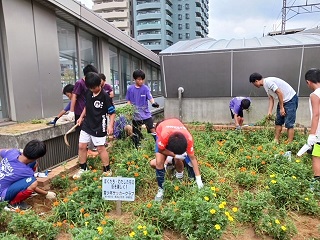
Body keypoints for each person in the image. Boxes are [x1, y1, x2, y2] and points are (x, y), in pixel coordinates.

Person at [73, 72, 116, 179]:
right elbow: (86, 107)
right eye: (91, 88)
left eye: (95, 87)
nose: (93, 90)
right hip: (87, 124)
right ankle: (83, 168)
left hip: (99, 125)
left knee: (100, 148)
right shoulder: (88, 92)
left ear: (100, 84)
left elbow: (112, 113)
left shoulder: (105, 96)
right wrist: (81, 117)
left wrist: (110, 126)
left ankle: (107, 170)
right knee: (82, 146)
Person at [153, 118, 203, 201]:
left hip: (176, 127)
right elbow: (161, 150)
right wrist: (174, 155)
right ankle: (161, 189)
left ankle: (181, 177)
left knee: (187, 161)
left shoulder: (189, 139)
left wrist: (199, 179)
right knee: (159, 162)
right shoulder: (163, 136)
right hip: (163, 130)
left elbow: (193, 159)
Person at [0, 140, 56, 210]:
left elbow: (1, 150)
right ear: (38, 157)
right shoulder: (27, 172)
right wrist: (46, 193)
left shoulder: (12, 152)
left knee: (33, 164)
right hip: (2, 196)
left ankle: (19, 191)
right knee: (33, 182)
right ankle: (14, 204)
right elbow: (33, 186)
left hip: (3, 183)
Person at [249, 72, 298, 143]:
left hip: (290, 99)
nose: (254, 85)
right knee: (278, 121)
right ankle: (276, 140)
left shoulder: (268, 82)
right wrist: (269, 113)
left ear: (256, 81)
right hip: (282, 100)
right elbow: (271, 99)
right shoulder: (265, 85)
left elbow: (279, 93)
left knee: (289, 123)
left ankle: (289, 142)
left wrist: (281, 108)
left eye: (254, 84)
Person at [126, 69, 159, 148]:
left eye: (142, 79)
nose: (141, 81)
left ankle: (158, 144)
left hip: (146, 114)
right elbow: (129, 101)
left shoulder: (145, 88)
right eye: (139, 79)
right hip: (135, 115)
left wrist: (153, 103)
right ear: (135, 79)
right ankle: (137, 147)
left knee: (152, 128)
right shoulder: (130, 89)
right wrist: (128, 111)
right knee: (136, 131)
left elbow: (150, 98)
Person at [67, 64, 99, 131]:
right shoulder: (80, 83)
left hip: (89, 112)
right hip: (80, 113)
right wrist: (71, 111)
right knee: (82, 133)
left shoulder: (91, 83)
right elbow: (74, 96)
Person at [305, 68, 320, 188]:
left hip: (319, 132)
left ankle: (316, 182)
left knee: (316, 155)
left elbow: (316, 115)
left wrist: (312, 134)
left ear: (308, 82)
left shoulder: (314, 95)